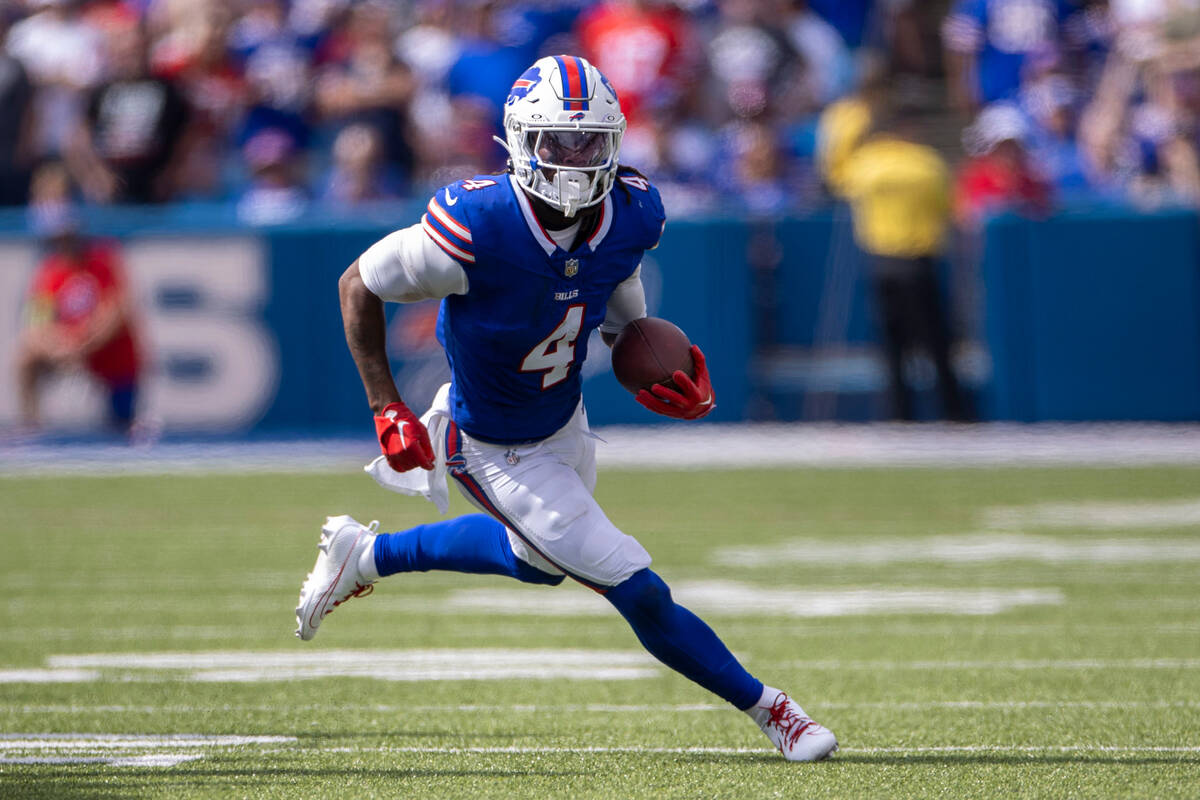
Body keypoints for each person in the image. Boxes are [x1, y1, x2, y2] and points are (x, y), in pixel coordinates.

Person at [294, 54, 838, 763]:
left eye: (590, 143)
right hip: (488, 444)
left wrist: (645, 358)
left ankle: (365, 556)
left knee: (538, 563)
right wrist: (385, 407)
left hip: (562, 420)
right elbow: (355, 284)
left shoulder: (632, 211)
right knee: (632, 584)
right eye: (559, 142)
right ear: (522, 141)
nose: (577, 161)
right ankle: (776, 713)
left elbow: (616, 287)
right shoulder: (478, 223)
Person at [836, 103, 970, 422]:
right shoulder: (928, 164)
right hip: (919, 262)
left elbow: (837, 174)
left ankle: (899, 414)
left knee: (892, 346)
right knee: (937, 342)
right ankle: (953, 412)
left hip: (882, 263)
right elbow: (949, 208)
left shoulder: (869, 164)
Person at [16, 165, 142, 434]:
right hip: (70, 353)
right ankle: (31, 426)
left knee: (121, 428)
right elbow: (35, 325)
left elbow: (116, 312)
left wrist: (83, 342)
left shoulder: (103, 259)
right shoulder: (49, 271)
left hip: (108, 356)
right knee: (25, 356)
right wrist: (61, 345)